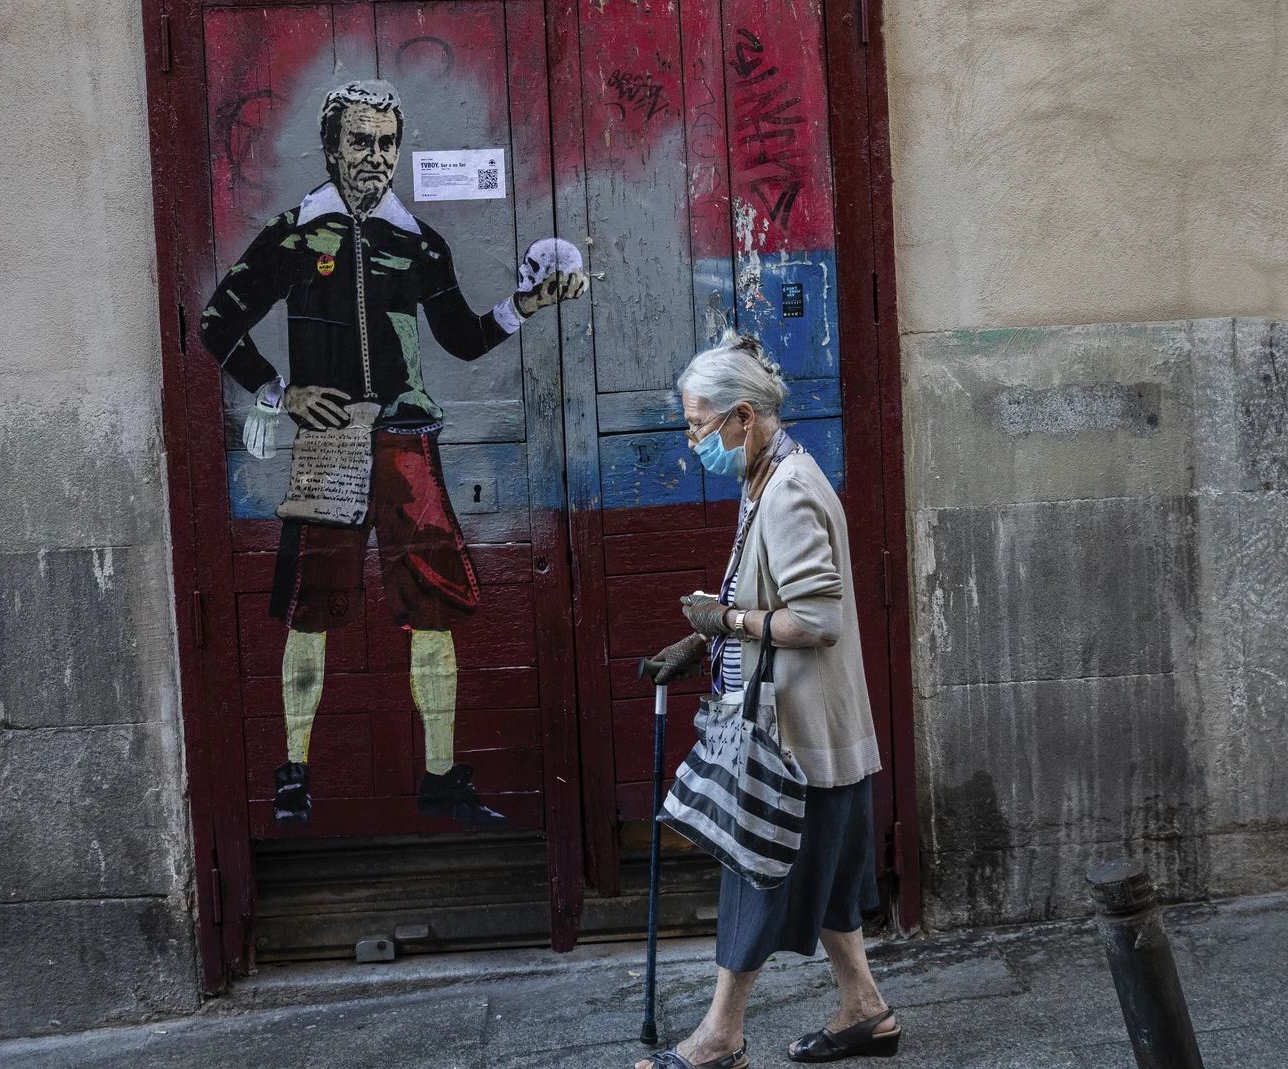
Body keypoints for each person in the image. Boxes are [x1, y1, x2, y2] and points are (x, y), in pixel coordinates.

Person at [199, 79, 587, 829]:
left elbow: (462, 338)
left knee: (432, 608)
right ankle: (295, 774)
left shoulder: (418, 242)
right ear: (331, 146)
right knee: (309, 613)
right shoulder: (293, 234)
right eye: (360, 142)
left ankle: (440, 775)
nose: (375, 157)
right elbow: (218, 321)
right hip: (331, 442)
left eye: (386, 143)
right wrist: (279, 391)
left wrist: (527, 304)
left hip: (407, 440)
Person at [636, 333, 900, 1067]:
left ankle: (719, 1035)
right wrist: (702, 643)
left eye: (698, 424)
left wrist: (726, 623)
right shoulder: (767, 476)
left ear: (742, 417)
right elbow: (771, 596)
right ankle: (866, 1008)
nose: (693, 441)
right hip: (814, 732)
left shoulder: (785, 491)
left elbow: (816, 620)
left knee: (760, 875)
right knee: (829, 883)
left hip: (797, 739)